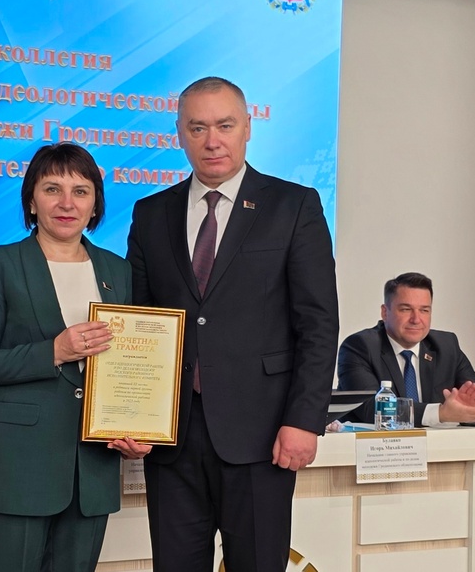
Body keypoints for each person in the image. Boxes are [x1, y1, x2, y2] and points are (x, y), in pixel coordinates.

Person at [126, 77, 339, 571]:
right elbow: (140, 324)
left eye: (224, 125)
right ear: (179, 133)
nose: (212, 141)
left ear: (247, 128)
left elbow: (318, 323)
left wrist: (304, 420)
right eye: (197, 127)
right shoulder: (151, 213)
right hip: (172, 439)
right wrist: (132, 418)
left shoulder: (294, 205)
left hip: (264, 434)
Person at [0, 142, 151, 572]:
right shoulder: (1, 264)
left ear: (95, 204)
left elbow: (128, 365)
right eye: (52, 189)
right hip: (20, 467)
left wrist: (136, 427)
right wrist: (54, 351)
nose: (67, 203)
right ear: (31, 200)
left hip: (92, 470)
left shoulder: (117, 270)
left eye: (81, 191)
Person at [337, 272, 475, 427]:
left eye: (424, 310)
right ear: (385, 312)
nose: (416, 319)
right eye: (406, 309)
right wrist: (440, 413)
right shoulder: (359, 346)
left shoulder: (446, 346)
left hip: (436, 443)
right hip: (374, 442)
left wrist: (468, 410)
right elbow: (370, 407)